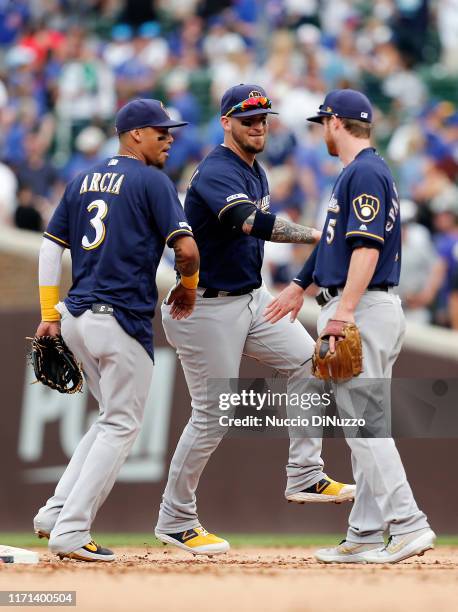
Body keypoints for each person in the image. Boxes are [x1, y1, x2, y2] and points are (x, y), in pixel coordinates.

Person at [154, 84, 355, 557]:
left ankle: (305, 475)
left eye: (263, 117)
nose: (258, 125)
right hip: (203, 305)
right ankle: (175, 519)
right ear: (226, 123)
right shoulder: (217, 171)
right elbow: (251, 223)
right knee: (212, 416)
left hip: (249, 299)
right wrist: (319, 237)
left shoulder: (254, 167)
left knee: (311, 361)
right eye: (248, 119)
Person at [265, 89, 436, 564]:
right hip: (364, 304)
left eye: (323, 122)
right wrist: (300, 285)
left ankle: (408, 523)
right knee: (363, 424)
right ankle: (363, 532)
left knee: (365, 426)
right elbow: (335, 245)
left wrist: (343, 311)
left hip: (363, 305)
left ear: (336, 122)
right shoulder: (360, 172)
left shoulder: (364, 171)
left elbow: (366, 248)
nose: (321, 130)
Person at [33, 98, 200, 562]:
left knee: (109, 416)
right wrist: (188, 287)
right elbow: (186, 250)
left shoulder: (81, 178)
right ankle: (72, 530)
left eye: (170, 131)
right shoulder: (151, 180)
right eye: (159, 131)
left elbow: (50, 250)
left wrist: (48, 313)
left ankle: (55, 511)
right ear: (133, 135)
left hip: (74, 317)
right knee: (123, 423)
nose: (169, 137)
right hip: (119, 316)